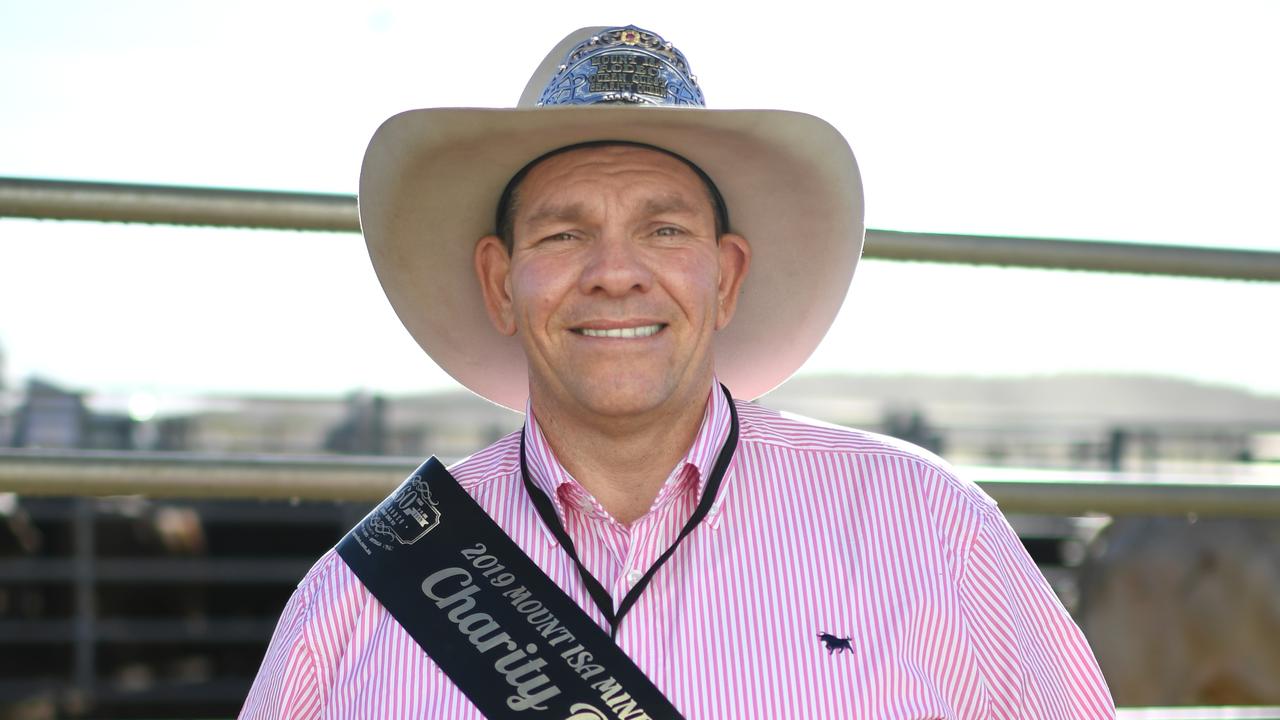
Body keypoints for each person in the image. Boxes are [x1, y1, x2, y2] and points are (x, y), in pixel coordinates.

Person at [241, 25, 1114, 719]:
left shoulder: (933, 534)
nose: (616, 273)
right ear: (499, 284)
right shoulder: (363, 596)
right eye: (562, 233)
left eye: (664, 230)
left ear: (726, 277)